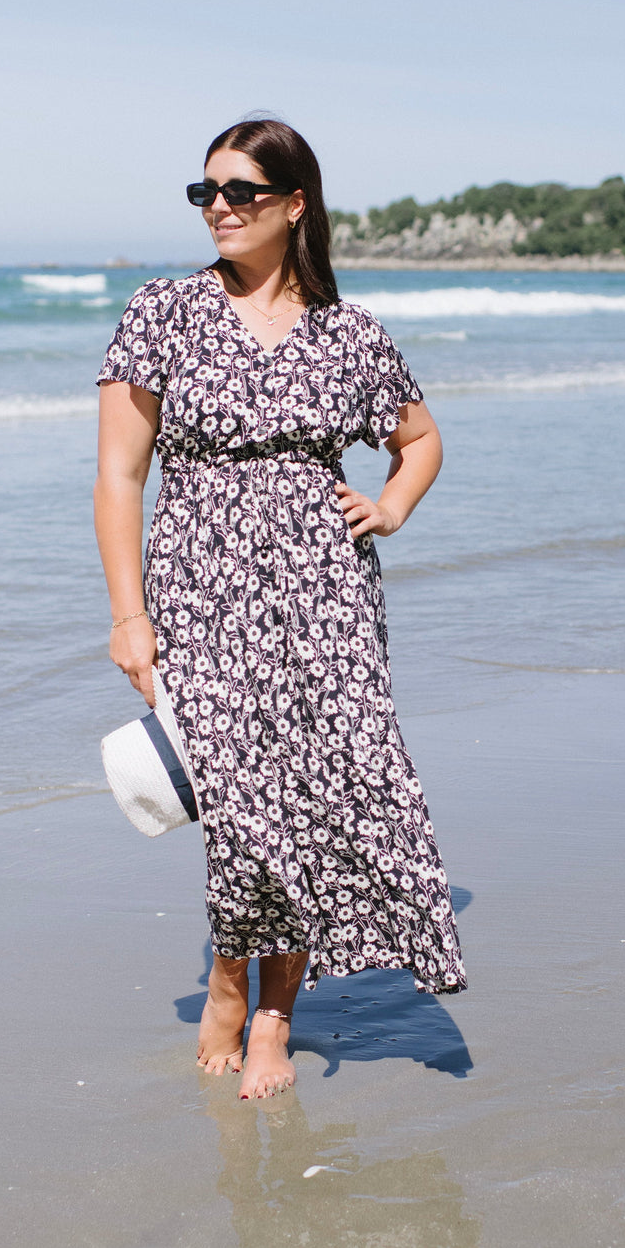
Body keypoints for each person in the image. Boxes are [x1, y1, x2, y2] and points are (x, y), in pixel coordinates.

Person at [94, 118, 466, 1101]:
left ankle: (272, 1013)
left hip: (324, 590)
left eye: (241, 191)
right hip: (200, 588)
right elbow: (119, 474)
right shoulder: (163, 312)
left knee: (310, 798)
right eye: (205, 191)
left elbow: (419, 440)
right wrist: (130, 616)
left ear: (292, 205)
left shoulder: (350, 334)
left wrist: (387, 507)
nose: (219, 206)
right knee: (242, 806)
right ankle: (228, 973)